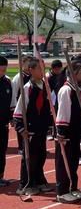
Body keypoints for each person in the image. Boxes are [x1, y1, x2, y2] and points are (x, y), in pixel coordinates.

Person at [13, 57, 53, 195]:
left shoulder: (45, 86)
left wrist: (49, 124)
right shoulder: (27, 89)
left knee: (41, 155)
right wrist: (21, 128)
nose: (43, 71)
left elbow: (48, 108)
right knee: (30, 157)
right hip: (30, 129)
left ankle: (39, 180)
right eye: (40, 68)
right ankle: (25, 184)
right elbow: (19, 111)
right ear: (31, 70)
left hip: (41, 128)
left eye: (44, 68)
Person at [55, 56, 81, 203]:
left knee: (73, 161)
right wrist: (61, 132)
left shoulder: (78, 89)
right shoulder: (66, 90)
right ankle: (62, 191)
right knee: (64, 162)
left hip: (75, 131)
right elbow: (63, 112)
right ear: (74, 72)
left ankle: (72, 188)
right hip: (66, 133)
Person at [11, 55, 32, 153]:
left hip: (30, 107)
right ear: (22, 64)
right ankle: (21, 147)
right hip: (21, 106)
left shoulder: (32, 76)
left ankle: (29, 145)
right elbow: (14, 93)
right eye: (27, 63)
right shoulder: (18, 77)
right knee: (21, 127)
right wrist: (14, 108)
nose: (29, 66)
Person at [0, 57, 13, 186]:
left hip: (3, 123)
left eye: (5, 69)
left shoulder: (7, 81)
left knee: (2, 150)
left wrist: (11, 117)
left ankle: (1, 176)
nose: (3, 72)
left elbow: (10, 103)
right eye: (1, 70)